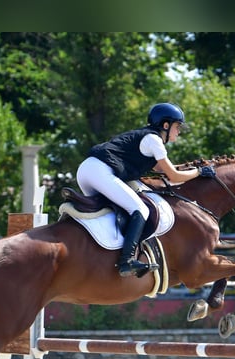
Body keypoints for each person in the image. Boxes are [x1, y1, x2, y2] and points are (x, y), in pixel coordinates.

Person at [76, 102, 215, 277]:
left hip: (86, 171)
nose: (178, 131)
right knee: (140, 209)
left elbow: (164, 173)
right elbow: (174, 176)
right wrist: (199, 172)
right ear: (166, 125)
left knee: (115, 211)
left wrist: (189, 171)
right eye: (177, 126)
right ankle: (126, 261)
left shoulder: (146, 139)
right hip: (100, 171)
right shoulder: (154, 140)